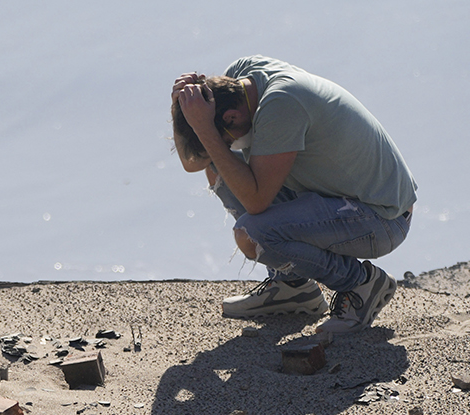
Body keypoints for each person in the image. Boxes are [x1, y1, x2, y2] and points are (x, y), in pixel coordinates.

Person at [171, 58, 416, 336]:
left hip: (381, 217)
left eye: (225, 137)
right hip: (335, 197)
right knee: (218, 166)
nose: (227, 144)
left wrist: (205, 130)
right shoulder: (241, 79)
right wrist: (180, 106)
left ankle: (361, 283)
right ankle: (292, 288)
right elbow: (195, 162)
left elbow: (256, 202)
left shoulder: (281, 104)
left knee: (252, 235)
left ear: (231, 118)